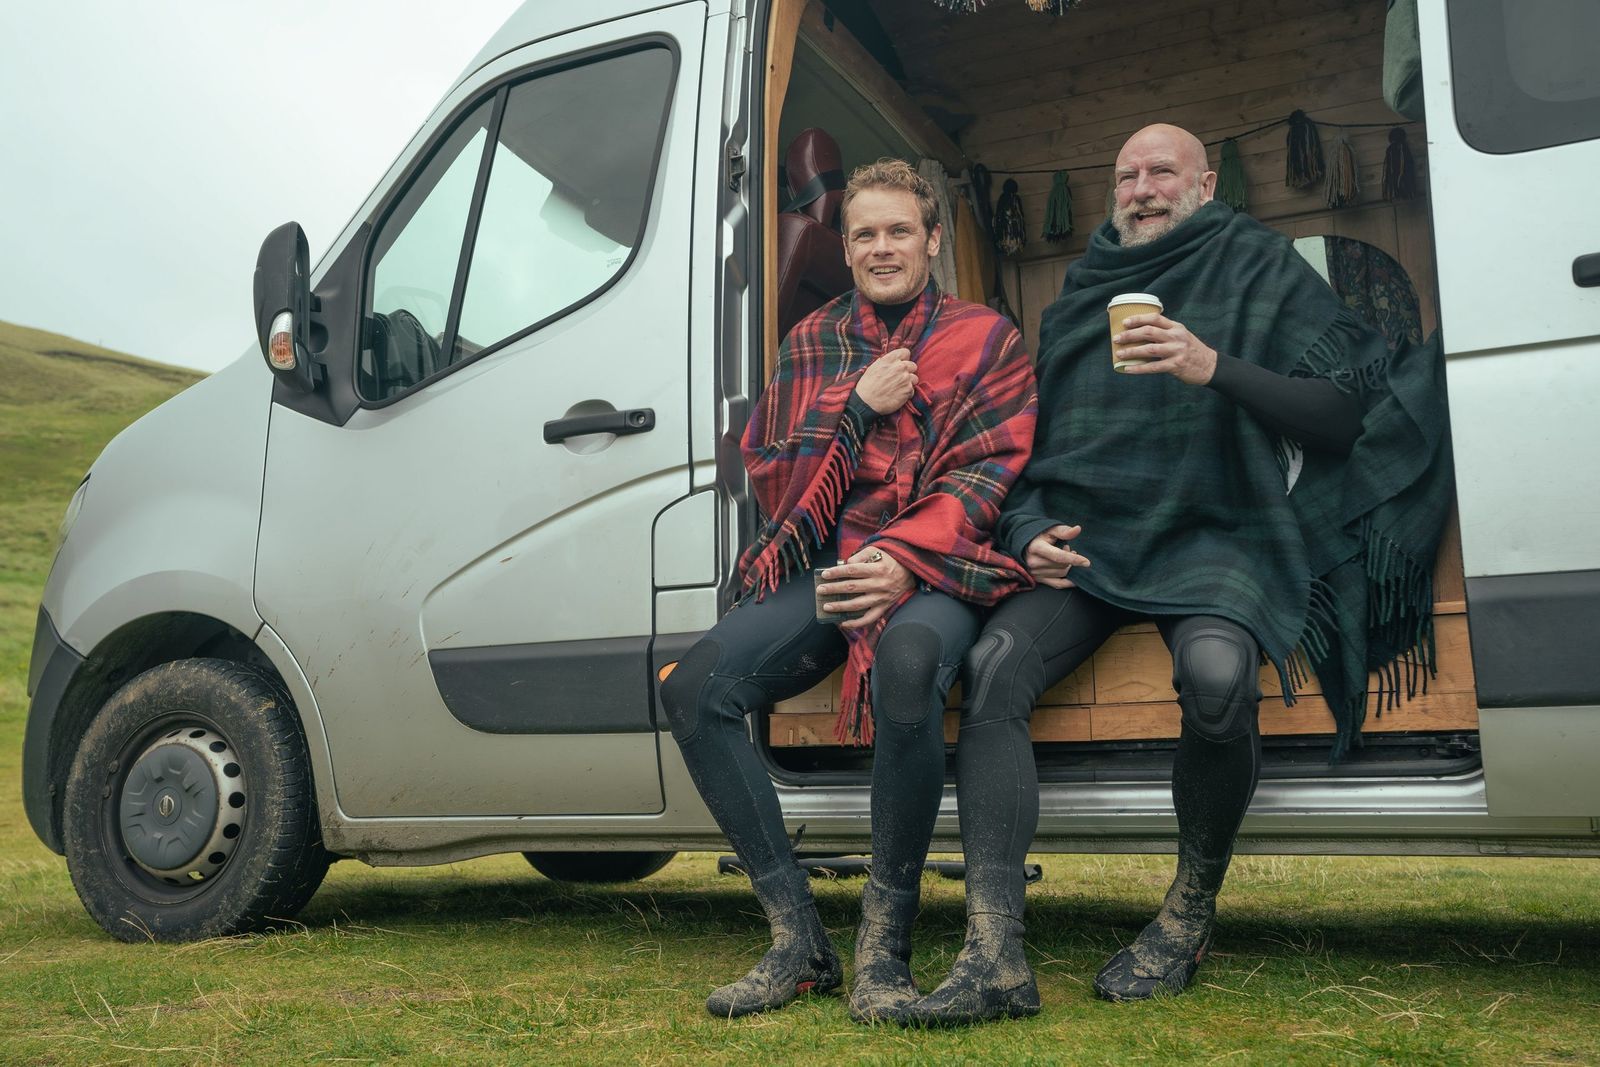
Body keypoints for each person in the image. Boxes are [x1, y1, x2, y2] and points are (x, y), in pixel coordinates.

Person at [906, 123, 1453, 1024]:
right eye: (1125, 174)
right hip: (1095, 537)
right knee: (995, 664)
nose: (1141, 186)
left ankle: (1188, 910)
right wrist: (1032, 529)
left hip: (1219, 528)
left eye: (1163, 171)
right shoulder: (1078, 298)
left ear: (1204, 183)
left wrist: (1212, 365)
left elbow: (1342, 414)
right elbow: (1033, 457)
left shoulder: (1258, 265)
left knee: (1217, 680)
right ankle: (994, 950)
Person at [659, 159, 1038, 1022]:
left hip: (941, 565)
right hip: (831, 564)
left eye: (899, 230)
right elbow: (774, 477)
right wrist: (856, 406)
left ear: (932, 240)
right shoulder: (811, 342)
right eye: (863, 233)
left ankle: (883, 944)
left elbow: (995, 472)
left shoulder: (987, 337)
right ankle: (798, 938)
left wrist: (903, 558)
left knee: (908, 660)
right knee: (696, 688)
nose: (881, 247)